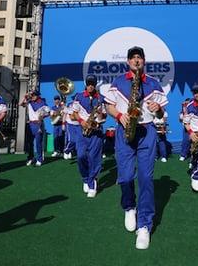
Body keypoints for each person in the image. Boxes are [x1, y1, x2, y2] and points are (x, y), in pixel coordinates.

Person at [104, 46, 168, 250]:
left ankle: (144, 226)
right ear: (128, 62)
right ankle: (129, 206)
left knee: (147, 178)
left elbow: (161, 114)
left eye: (140, 57)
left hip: (147, 132)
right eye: (133, 58)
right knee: (124, 176)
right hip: (125, 131)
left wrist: (158, 109)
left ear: (144, 61)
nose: (136, 60)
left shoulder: (154, 83)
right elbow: (109, 105)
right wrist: (120, 116)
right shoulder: (119, 81)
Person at [72, 75, 106, 198]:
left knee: (94, 158)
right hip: (82, 131)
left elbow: (104, 117)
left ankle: (92, 184)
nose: (90, 86)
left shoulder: (101, 98)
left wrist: (99, 118)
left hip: (96, 132)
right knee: (81, 156)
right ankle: (86, 178)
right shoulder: (79, 96)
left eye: (92, 83)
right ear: (86, 84)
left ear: (95, 84)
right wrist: (82, 122)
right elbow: (74, 114)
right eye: (88, 83)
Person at [20, 90, 49, 167]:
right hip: (30, 124)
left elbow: (48, 113)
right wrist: (25, 97)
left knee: (38, 143)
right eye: (31, 95)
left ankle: (39, 159)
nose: (32, 96)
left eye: (33, 95)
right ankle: (31, 157)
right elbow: (21, 104)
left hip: (38, 124)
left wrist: (42, 116)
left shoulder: (42, 103)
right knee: (29, 143)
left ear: (37, 95)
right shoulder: (29, 102)